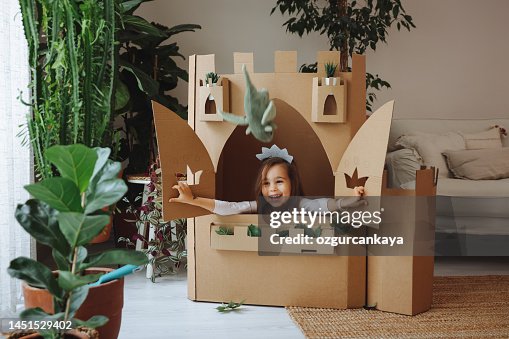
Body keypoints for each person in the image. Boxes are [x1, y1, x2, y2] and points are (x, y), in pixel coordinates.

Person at [170, 145, 366, 215]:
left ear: (292, 182)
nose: (272, 189)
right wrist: (193, 200)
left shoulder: (299, 204)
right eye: (266, 183)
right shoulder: (261, 205)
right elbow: (229, 208)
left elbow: (324, 205)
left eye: (279, 181)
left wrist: (350, 200)